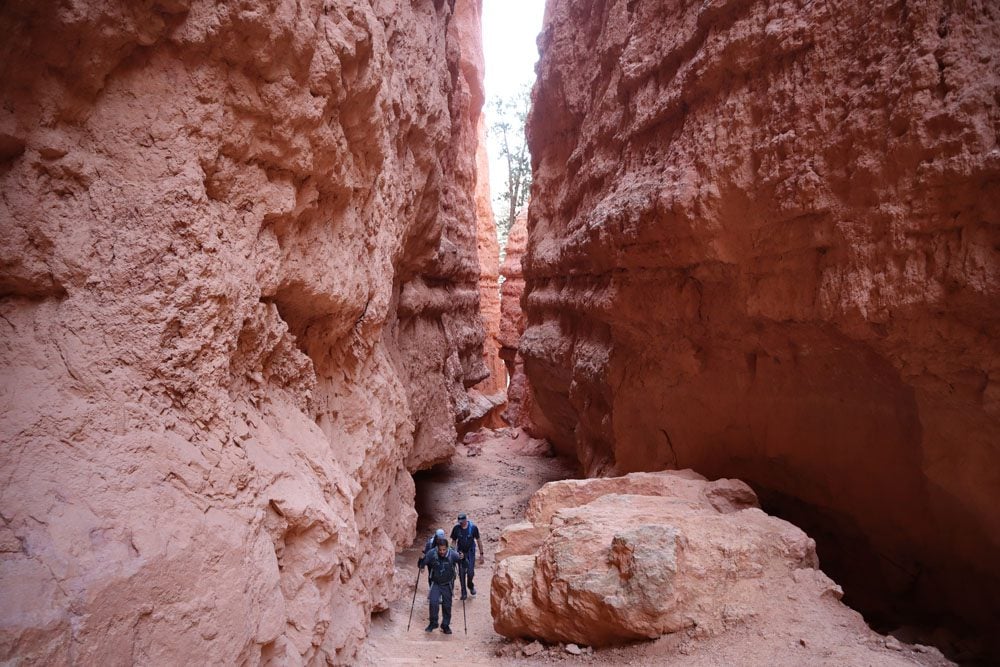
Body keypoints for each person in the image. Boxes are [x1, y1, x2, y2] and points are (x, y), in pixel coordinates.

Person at [417, 537, 463, 634]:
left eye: (444, 549)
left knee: (447, 606)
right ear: (437, 548)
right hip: (436, 583)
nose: (442, 552)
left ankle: (445, 625)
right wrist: (420, 560)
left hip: (447, 584)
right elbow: (421, 565)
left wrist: (463, 557)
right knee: (433, 603)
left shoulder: (453, 555)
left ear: (447, 548)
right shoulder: (431, 553)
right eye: (440, 550)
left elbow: (463, 563)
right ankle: (433, 623)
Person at [450, 512, 484, 599]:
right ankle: (463, 592)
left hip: (470, 553)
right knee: (461, 573)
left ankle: (470, 585)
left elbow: (478, 540)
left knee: (470, 572)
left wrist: (481, 554)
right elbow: (454, 541)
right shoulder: (456, 529)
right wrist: (452, 552)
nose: (460, 523)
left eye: (462, 521)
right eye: (459, 521)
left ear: (466, 520)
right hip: (460, 553)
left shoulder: (473, 528)